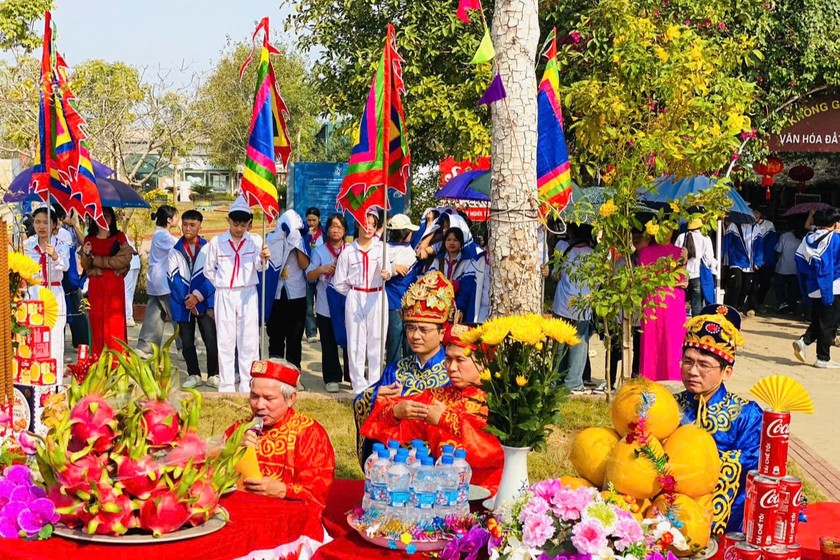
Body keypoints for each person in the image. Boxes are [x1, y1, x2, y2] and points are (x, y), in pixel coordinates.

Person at [360, 324, 503, 492]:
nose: (452, 368)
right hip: (444, 493)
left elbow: (493, 452)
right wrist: (396, 412)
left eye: (460, 360)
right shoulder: (437, 397)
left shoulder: (499, 400)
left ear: (483, 362)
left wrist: (445, 419)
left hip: (492, 493)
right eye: (448, 359)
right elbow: (384, 425)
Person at [677, 304, 762, 534]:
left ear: (727, 372)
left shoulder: (747, 414)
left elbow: (751, 467)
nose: (693, 371)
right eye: (688, 361)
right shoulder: (670, 405)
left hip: (728, 523)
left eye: (704, 365)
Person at [353, 271, 454, 464]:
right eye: (410, 328)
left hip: (438, 464)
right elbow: (363, 405)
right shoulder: (396, 369)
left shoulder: (453, 372)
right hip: (395, 462)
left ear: (442, 333)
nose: (415, 336)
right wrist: (378, 399)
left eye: (424, 329)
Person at [226, 358, 335, 511]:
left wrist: (283, 490)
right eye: (254, 396)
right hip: (240, 510)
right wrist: (232, 448)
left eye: (269, 398)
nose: (259, 405)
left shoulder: (310, 434)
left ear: (291, 399)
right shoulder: (240, 429)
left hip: (288, 515)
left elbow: (318, 491)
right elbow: (208, 471)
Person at [203, 196, 271, 393]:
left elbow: (261, 267)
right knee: (225, 339)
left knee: (248, 339)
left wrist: (264, 258)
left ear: (249, 223)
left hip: (248, 293)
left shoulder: (256, 241)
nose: (239, 228)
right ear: (228, 221)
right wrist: (222, 284)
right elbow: (209, 270)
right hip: (224, 294)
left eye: (243, 224)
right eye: (235, 223)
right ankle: (225, 384)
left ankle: (247, 383)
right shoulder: (217, 242)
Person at [332, 210, 392, 394]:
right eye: (366, 223)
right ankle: (358, 384)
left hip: (377, 295)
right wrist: (353, 293)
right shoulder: (348, 251)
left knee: (377, 340)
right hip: (356, 295)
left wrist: (386, 273)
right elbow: (339, 282)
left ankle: (375, 383)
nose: (369, 228)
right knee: (356, 341)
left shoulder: (381, 248)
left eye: (373, 224)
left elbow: (388, 270)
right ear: (358, 224)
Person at [167, 209, 217, 389]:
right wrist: (187, 299)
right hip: (182, 303)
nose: (187, 228)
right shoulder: (174, 250)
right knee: (187, 341)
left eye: (192, 225)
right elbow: (173, 277)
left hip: (204, 301)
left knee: (211, 339)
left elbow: (213, 276)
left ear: (200, 226)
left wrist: (198, 296)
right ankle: (193, 374)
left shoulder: (209, 248)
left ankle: (213, 374)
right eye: (185, 224)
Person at [79, 207, 136, 354]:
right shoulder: (89, 239)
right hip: (96, 285)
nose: (104, 219)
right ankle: (97, 357)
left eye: (107, 216)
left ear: (112, 219)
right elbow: (85, 266)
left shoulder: (120, 237)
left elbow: (123, 261)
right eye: (100, 216)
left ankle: (117, 358)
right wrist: (86, 254)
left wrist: (96, 259)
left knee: (115, 320)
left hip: (114, 284)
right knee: (97, 320)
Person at [306, 214, 350, 393]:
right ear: (327, 229)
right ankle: (332, 377)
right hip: (325, 304)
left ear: (345, 231)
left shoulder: (351, 249)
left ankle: (352, 375)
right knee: (329, 341)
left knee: (351, 340)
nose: (336, 230)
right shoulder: (320, 251)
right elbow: (309, 275)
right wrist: (321, 269)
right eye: (332, 226)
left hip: (348, 305)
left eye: (339, 227)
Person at [23, 206, 70, 373]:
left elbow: (65, 267)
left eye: (45, 222)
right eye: (37, 222)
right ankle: (35, 380)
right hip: (33, 293)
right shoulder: (27, 245)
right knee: (33, 336)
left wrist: (55, 256)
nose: (41, 226)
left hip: (54, 293)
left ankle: (54, 382)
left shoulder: (62, 244)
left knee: (55, 336)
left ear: (55, 224)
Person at [793, 208, 840, 368]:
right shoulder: (835, 239)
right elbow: (828, 267)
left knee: (820, 320)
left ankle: (804, 341)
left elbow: (800, 263)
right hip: (832, 287)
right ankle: (823, 358)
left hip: (813, 287)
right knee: (829, 323)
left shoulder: (808, 238)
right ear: (835, 224)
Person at [263, 210, 310, 369]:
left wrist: (295, 243)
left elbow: (304, 265)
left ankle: (294, 374)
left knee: (294, 337)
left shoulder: (302, 239)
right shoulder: (271, 238)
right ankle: (275, 374)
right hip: (275, 293)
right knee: (275, 336)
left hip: (296, 293)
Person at [638, 230, 687, 382]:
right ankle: (660, 378)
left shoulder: (680, 252)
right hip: (664, 298)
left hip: (662, 299)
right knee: (655, 341)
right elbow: (682, 279)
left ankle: (664, 378)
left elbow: (683, 279)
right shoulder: (646, 252)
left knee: (670, 341)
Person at [550, 223, 594, 394]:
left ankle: (555, 380)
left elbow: (555, 274)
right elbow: (597, 282)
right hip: (583, 306)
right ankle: (573, 383)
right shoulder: (593, 255)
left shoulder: (562, 247)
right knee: (579, 345)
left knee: (559, 345)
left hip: (562, 304)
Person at [136, 205, 180, 357]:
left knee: (154, 315)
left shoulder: (161, 234)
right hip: (163, 282)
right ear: (169, 220)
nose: (178, 220)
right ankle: (184, 347)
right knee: (177, 314)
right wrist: (182, 230)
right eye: (177, 217)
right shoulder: (162, 236)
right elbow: (180, 246)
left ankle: (145, 347)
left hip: (157, 281)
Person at [428, 228, 483, 324]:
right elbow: (429, 281)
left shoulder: (469, 262)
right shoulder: (437, 261)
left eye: (455, 240)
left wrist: (460, 308)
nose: (451, 243)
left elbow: (467, 288)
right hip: (437, 307)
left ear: (461, 242)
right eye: (448, 240)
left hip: (459, 307)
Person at [384, 213, 420, 364]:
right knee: (396, 340)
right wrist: (392, 267)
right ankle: (394, 372)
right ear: (405, 233)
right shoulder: (407, 253)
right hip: (398, 302)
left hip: (400, 301)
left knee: (401, 339)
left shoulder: (385, 249)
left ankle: (402, 370)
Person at [675, 219, 718, 317]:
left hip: (682, 274)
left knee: (680, 299)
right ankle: (695, 326)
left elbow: (675, 254)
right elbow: (709, 258)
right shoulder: (705, 238)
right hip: (697, 273)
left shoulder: (681, 237)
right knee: (696, 302)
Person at [723, 220, 764, 316]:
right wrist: (719, 257)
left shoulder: (755, 227)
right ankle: (732, 307)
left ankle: (740, 306)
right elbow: (726, 242)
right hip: (736, 261)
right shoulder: (734, 225)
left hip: (750, 263)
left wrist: (758, 261)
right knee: (736, 284)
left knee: (746, 287)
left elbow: (759, 245)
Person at [302, 207, 324, 343]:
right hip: (307, 273)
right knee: (308, 304)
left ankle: (323, 329)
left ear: (319, 219)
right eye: (309, 220)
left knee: (321, 304)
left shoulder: (324, 234)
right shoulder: (303, 234)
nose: (311, 223)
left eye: (314, 220)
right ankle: (311, 332)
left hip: (322, 274)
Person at [774, 223, 804, 314]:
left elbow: (779, 250)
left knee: (780, 287)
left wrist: (778, 261)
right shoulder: (802, 238)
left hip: (783, 267)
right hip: (795, 268)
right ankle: (792, 307)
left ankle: (782, 304)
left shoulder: (784, 236)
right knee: (793, 289)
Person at [754, 208, 777, 311]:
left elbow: (771, 244)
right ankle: (752, 305)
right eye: (752, 212)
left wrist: (763, 259)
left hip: (766, 261)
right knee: (753, 284)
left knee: (765, 283)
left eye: (757, 212)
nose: (755, 215)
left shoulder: (769, 225)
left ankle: (760, 302)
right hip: (752, 260)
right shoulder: (747, 224)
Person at [124, 238, 141, 327]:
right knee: (129, 291)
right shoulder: (123, 235)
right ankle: (129, 316)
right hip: (135, 262)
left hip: (129, 263)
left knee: (126, 290)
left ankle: (128, 317)